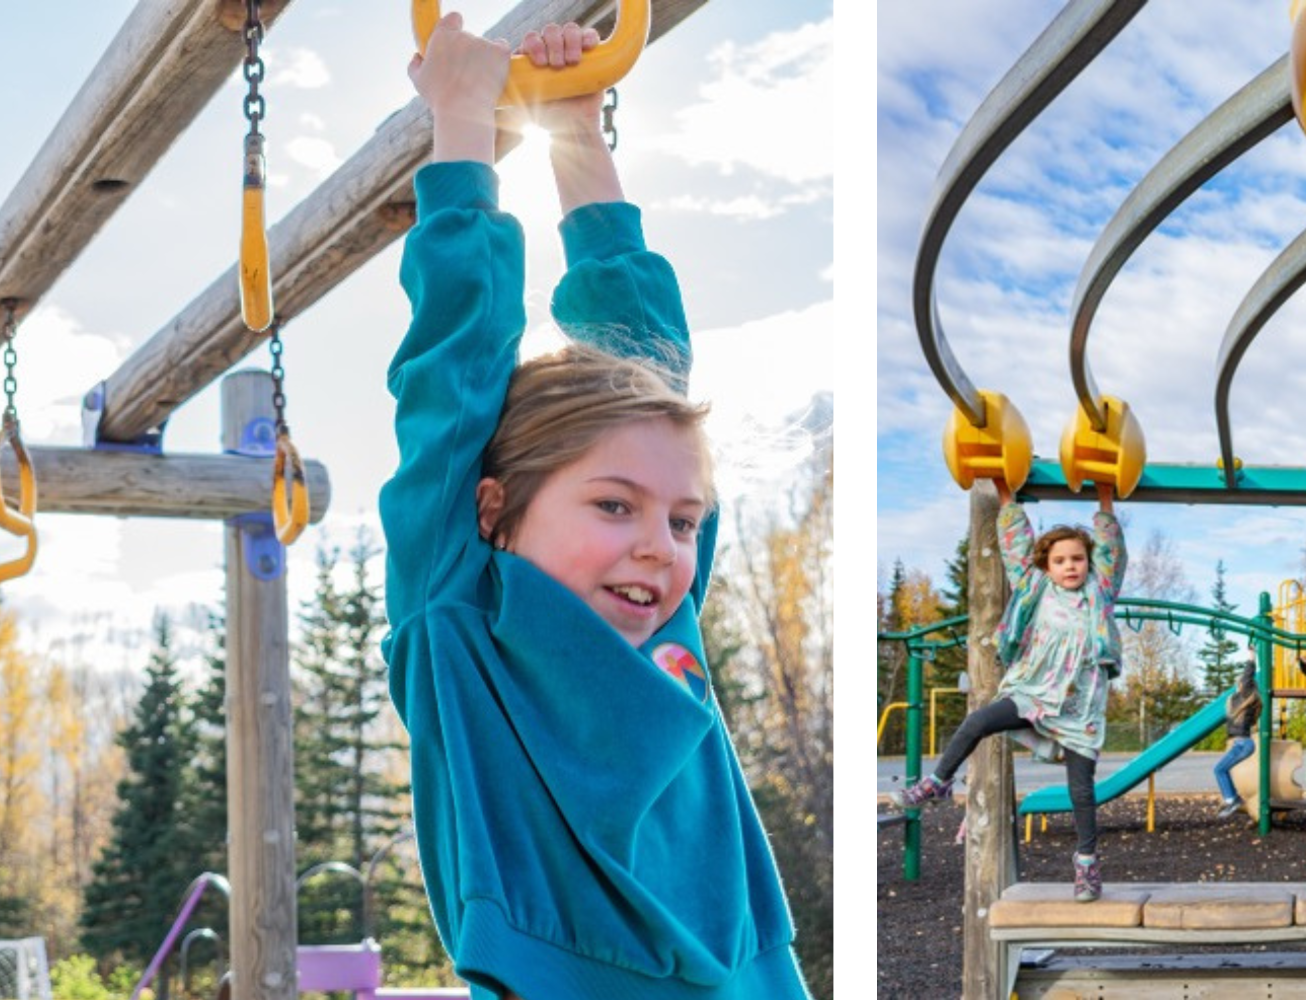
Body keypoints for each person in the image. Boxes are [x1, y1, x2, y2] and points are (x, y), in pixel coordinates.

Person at [377, 15, 807, 998]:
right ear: (493, 510)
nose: (660, 547)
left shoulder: (667, 625)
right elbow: (451, 366)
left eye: (683, 520)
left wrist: (578, 125)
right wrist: (462, 119)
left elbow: (645, 355)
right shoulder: (460, 621)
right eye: (614, 506)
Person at [893, 480, 1128, 901]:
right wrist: (1006, 494)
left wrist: (1106, 500)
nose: (1071, 566)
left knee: (1081, 789)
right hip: (1034, 689)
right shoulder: (1033, 588)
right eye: (1060, 560)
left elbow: (1110, 549)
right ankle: (938, 783)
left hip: (1079, 705)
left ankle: (1087, 865)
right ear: (1047, 565)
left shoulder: (1100, 591)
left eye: (1078, 558)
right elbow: (1016, 548)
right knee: (979, 720)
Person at [1213, 667, 1264, 818]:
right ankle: (1234, 798)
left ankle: (1232, 800)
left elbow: (1248, 676)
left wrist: (1252, 655)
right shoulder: (1240, 702)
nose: (1238, 685)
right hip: (1241, 744)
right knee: (1221, 770)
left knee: (1219, 770)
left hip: (1243, 744)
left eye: (1240, 683)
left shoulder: (1248, 697)